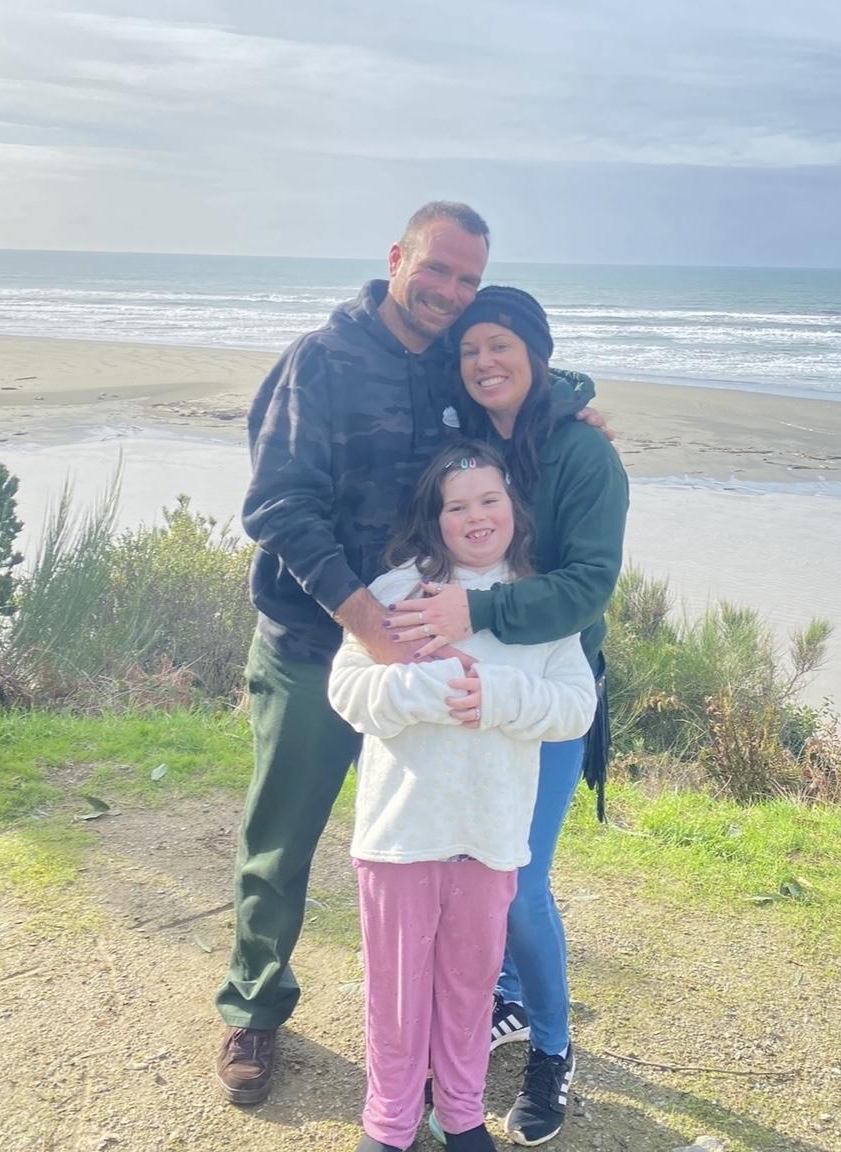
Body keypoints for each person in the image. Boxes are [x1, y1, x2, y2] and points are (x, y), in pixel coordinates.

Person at [216, 203, 607, 1105]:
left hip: (430, 646)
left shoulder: (450, 362)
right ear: (397, 257)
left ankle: (437, 1029)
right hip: (315, 642)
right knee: (283, 837)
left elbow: (521, 379)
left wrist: (577, 407)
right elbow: (277, 506)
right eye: (436, 269)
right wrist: (366, 622)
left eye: (468, 279)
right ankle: (254, 1006)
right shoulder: (321, 359)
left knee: (440, 851)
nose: (450, 292)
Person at [384, 286, 628, 1146]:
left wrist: (477, 612)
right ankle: (502, 1004)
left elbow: (590, 585)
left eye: (502, 346)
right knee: (465, 872)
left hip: (547, 691)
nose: (485, 362)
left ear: (537, 353)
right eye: (470, 349)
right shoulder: (467, 440)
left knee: (519, 882)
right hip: (465, 695)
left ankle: (553, 1049)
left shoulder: (584, 453)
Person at [328, 441, 596, 1152]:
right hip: (399, 834)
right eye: (457, 506)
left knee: (471, 988)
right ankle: (389, 1121)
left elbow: (576, 707)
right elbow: (347, 690)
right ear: (435, 517)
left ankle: (460, 1113)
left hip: (491, 834)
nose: (476, 517)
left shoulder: (540, 603)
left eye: (489, 500)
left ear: (515, 509)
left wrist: (499, 694)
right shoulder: (395, 592)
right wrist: (439, 686)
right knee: (397, 991)